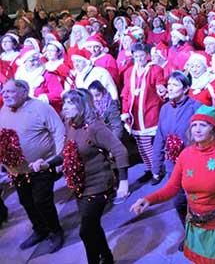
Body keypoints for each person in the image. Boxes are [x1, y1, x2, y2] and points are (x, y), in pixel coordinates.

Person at [130, 105, 215, 264]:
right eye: (194, 125)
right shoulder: (185, 155)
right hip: (196, 222)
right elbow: (172, 187)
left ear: (212, 129)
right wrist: (148, 199)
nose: (197, 129)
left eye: (203, 125)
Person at [59, 89, 129, 264]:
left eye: (70, 103)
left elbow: (120, 150)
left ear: (82, 105)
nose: (65, 107)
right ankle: (106, 257)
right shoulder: (70, 124)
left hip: (98, 185)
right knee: (93, 227)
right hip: (80, 186)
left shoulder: (95, 128)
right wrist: (47, 162)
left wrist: (123, 182)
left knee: (86, 231)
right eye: (64, 102)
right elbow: (66, 152)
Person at [0, 79, 65, 253]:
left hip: (42, 165)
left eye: (10, 91)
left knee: (42, 200)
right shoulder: (3, 111)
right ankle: (40, 230)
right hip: (17, 171)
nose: (5, 95)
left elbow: (58, 131)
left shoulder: (40, 107)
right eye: (4, 92)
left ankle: (55, 231)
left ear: (24, 91)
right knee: (26, 202)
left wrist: (59, 159)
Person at [151, 71, 202, 250]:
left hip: (194, 164)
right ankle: (190, 233)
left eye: (174, 85)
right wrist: (155, 164)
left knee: (198, 202)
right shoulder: (165, 108)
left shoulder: (196, 106)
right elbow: (160, 136)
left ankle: (205, 236)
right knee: (178, 202)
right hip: (173, 165)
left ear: (186, 88)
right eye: (169, 84)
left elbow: (210, 133)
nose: (170, 88)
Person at [121, 43, 167, 184]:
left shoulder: (155, 69)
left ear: (147, 56)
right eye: (136, 56)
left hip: (149, 112)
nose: (139, 59)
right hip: (134, 113)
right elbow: (126, 93)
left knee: (149, 144)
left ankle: (156, 171)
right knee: (140, 145)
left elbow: (160, 85)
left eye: (141, 56)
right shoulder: (129, 72)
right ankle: (149, 169)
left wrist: (161, 88)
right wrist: (124, 111)